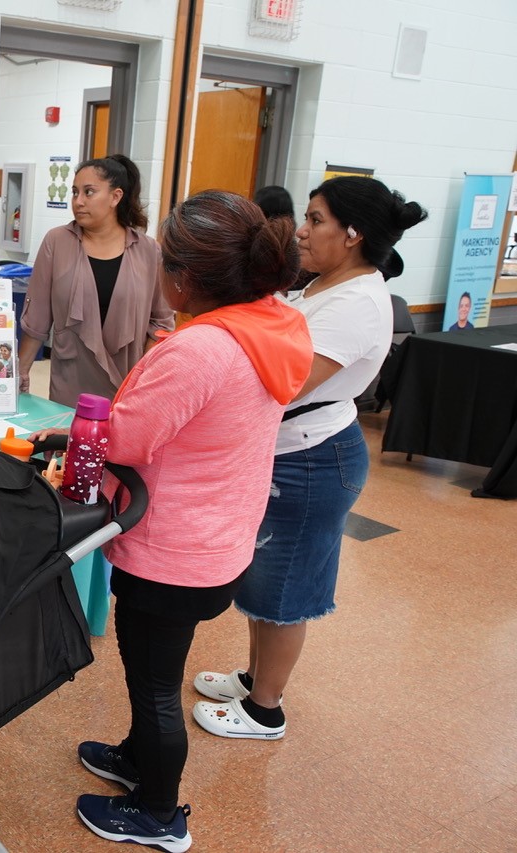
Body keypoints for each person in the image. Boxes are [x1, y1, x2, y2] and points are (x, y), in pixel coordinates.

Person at [37, 191, 313, 852]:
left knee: (155, 684)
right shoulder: (270, 325)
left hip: (172, 551)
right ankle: (136, 756)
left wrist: (73, 435)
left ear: (184, 278)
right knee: (157, 666)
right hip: (218, 540)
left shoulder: (202, 350)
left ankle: (161, 813)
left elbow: (127, 440)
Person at [192, 176, 428, 744]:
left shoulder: (357, 303)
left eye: (316, 219)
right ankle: (253, 679)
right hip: (289, 453)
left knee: (286, 589)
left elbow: (287, 383)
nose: (302, 229)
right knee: (264, 581)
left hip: (314, 459)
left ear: (352, 234)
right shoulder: (323, 285)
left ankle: (265, 709)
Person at [17, 154, 174, 406]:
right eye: (75, 192)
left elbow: (161, 322)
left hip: (126, 381)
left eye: (89, 192)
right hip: (71, 377)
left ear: (115, 197)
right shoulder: (57, 241)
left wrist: (142, 379)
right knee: (68, 440)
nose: (78, 202)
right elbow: (37, 317)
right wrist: (21, 372)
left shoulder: (148, 250)